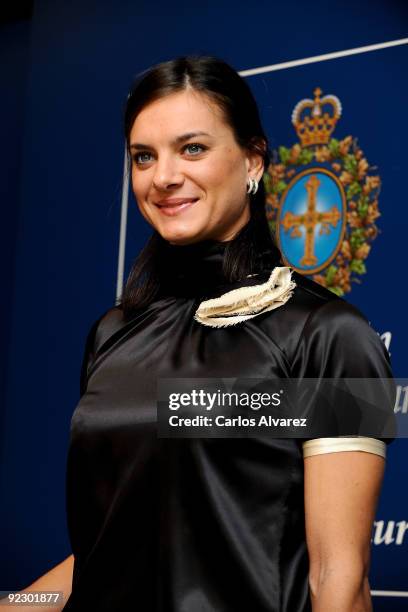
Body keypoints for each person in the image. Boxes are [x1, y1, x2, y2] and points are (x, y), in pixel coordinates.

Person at [14, 55, 395, 612]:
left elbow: (341, 580)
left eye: (192, 148)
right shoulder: (112, 333)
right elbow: (108, 551)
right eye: (144, 156)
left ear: (253, 161)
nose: (163, 176)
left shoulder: (334, 335)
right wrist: (19, 604)